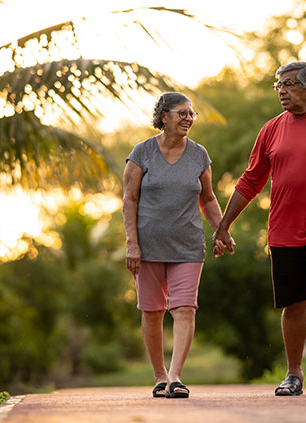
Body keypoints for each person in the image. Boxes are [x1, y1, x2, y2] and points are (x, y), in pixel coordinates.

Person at [213, 61, 306, 397]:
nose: (281, 91)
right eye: (277, 85)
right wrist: (224, 225)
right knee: (293, 304)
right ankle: (293, 373)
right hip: (284, 228)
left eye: (289, 84)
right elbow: (250, 180)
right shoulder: (271, 129)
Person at [123, 92, 225, 399]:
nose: (189, 119)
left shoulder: (198, 155)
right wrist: (132, 244)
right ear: (164, 116)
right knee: (152, 312)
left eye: (192, 114)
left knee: (184, 309)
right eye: (182, 113)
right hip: (148, 246)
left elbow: (207, 198)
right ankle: (159, 376)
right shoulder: (142, 153)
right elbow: (129, 199)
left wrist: (221, 231)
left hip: (188, 246)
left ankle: (176, 377)